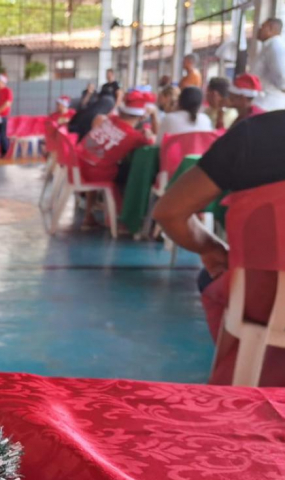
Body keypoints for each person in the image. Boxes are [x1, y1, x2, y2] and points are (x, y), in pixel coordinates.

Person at [152, 111, 285, 386]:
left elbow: (169, 213)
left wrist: (211, 248)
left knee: (215, 276)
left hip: (265, 306)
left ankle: (246, 374)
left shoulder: (254, 135)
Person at [76, 90, 156, 227]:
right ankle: (118, 218)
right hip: (96, 173)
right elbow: (154, 140)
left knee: (99, 163)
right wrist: (153, 118)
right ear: (141, 117)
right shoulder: (134, 137)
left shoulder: (110, 120)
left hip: (79, 165)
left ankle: (89, 216)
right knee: (129, 174)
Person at [255, 18, 285, 111]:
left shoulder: (275, 45)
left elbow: (282, 77)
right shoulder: (269, 46)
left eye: (262, 27)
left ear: (270, 29)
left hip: (269, 105)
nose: (259, 30)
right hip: (263, 103)